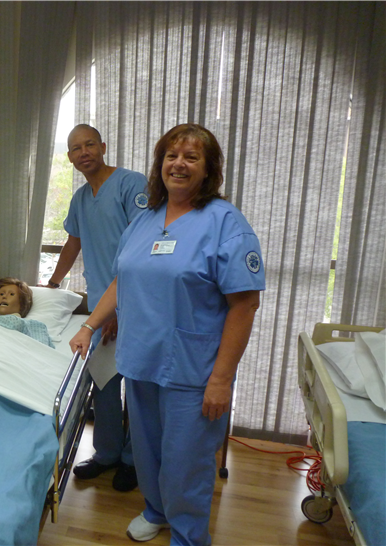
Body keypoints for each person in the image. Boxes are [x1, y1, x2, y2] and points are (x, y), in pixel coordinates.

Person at [70, 124, 265, 545]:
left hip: (193, 370)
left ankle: (189, 535)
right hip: (142, 360)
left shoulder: (225, 222)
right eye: (171, 156)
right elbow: (120, 281)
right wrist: (89, 325)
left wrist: (221, 379)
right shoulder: (145, 220)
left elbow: (244, 304)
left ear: (208, 168)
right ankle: (156, 510)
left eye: (191, 157)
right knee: (148, 450)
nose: (179, 164)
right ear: (160, 164)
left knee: (186, 460)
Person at [45, 124, 148, 492]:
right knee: (103, 383)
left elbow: (143, 246)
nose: (83, 152)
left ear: (103, 146)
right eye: (76, 148)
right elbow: (73, 242)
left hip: (135, 303)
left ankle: (134, 461)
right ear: (70, 157)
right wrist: (53, 283)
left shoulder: (131, 184)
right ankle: (106, 454)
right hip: (101, 304)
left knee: (138, 388)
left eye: (90, 144)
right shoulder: (80, 198)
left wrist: (118, 309)